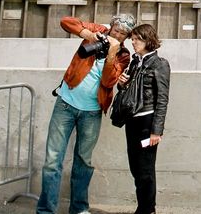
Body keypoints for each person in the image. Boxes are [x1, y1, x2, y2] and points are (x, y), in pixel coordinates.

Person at [37, 14, 134, 214]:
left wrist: (111, 53)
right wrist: (89, 35)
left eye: (123, 34)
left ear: (126, 37)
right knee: (52, 161)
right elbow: (65, 21)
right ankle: (46, 211)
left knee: (83, 161)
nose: (118, 34)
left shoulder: (123, 55)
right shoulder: (98, 31)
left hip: (91, 113)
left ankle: (79, 209)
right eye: (116, 30)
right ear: (112, 26)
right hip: (65, 104)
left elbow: (108, 82)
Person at [116, 23, 170, 214]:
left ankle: (147, 209)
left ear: (148, 39)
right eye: (132, 38)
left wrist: (157, 130)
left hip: (147, 122)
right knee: (135, 167)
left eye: (137, 38)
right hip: (132, 121)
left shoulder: (159, 64)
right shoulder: (134, 62)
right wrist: (122, 84)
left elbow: (162, 99)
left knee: (145, 169)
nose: (133, 42)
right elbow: (129, 93)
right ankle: (144, 207)